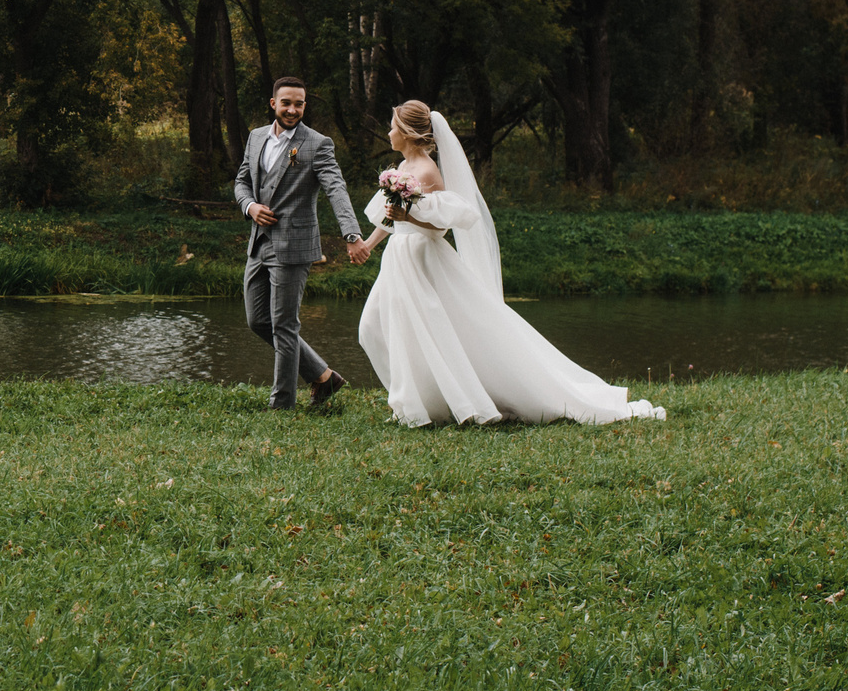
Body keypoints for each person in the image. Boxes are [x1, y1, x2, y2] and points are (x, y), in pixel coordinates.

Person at [353, 100, 664, 428]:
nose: (388, 133)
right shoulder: (400, 170)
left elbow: (443, 225)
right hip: (398, 258)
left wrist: (410, 215)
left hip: (424, 258)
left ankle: (431, 404)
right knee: (375, 328)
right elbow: (391, 218)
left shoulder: (428, 172)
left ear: (406, 132)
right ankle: (416, 401)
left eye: (392, 127)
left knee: (436, 331)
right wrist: (369, 244)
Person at [232, 77, 366, 412]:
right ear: (273, 103)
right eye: (287, 103)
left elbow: (336, 188)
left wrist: (351, 234)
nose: (293, 110)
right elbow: (242, 181)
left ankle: (282, 405)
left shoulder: (318, 144)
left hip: (294, 247)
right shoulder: (255, 137)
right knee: (257, 320)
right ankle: (323, 377)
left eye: (300, 104)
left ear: (305, 106)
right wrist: (250, 206)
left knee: (284, 325)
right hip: (259, 243)